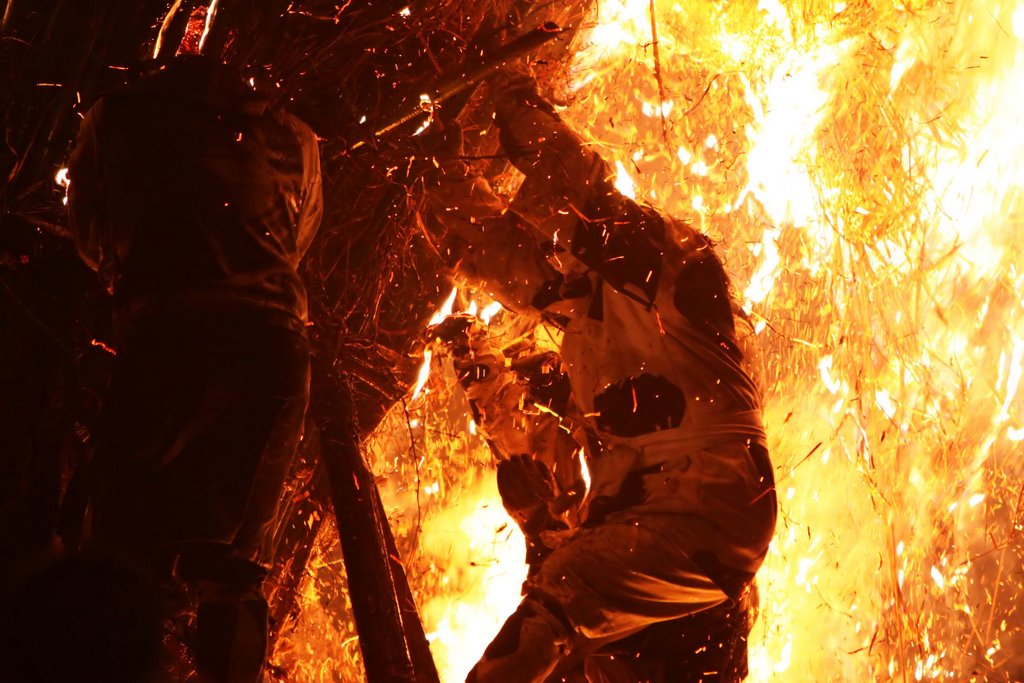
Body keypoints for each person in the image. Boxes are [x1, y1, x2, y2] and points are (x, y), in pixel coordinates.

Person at [422, 69, 777, 682]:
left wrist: (505, 95)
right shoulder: (586, 321)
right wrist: (441, 176)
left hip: (709, 517)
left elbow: (572, 185)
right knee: (565, 602)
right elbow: (488, 250)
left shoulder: (669, 270)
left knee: (563, 599)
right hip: (656, 526)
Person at [66, 56, 323, 682]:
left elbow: (90, 234)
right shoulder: (297, 137)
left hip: (169, 337)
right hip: (274, 349)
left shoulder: (115, 119)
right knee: (233, 568)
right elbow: (298, 241)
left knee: (122, 549)